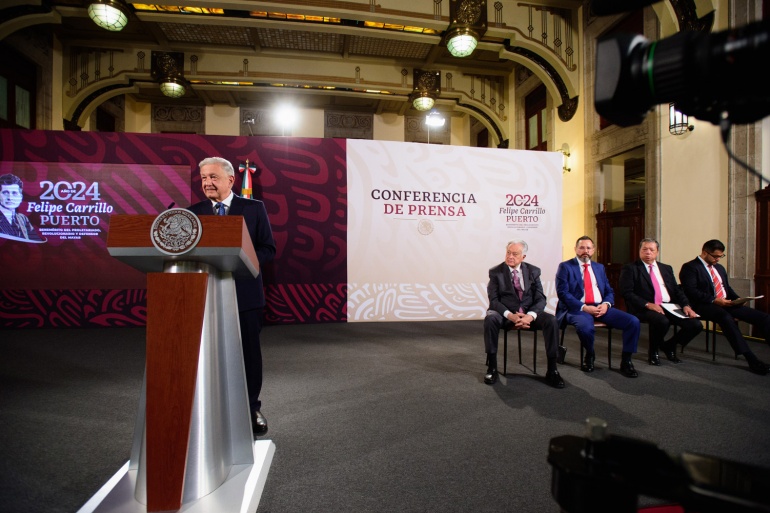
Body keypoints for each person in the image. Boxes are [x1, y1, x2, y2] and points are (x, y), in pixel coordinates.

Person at [187, 156, 277, 436]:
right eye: (203, 178)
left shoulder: (253, 209)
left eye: (213, 177)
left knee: (249, 355)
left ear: (230, 179)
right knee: (208, 354)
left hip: (245, 295)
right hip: (206, 295)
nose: (207, 183)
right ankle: (211, 410)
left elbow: (268, 249)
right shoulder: (194, 212)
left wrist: (245, 260)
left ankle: (251, 408)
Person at [679, 239, 770, 375]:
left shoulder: (719, 268)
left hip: (725, 303)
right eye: (715, 256)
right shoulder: (690, 267)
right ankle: (751, 359)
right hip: (703, 305)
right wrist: (714, 300)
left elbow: (726, 287)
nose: (718, 259)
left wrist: (737, 299)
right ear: (705, 252)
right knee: (726, 317)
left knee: (763, 318)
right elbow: (691, 291)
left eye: (721, 256)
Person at [483, 239, 565, 388]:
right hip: (505, 315)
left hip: (528, 314)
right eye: (508, 253)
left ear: (523, 257)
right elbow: (494, 300)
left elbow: (541, 298)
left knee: (551, 321)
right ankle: (492, 368)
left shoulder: (533, 271)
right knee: (490, 319)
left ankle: (552, 370)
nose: (510, 256)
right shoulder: (496, 272)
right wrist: (510, 315)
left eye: (515, 254)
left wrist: (530, 315)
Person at [555, 235, 641, 377]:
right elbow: (563, 293)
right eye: (582, 247)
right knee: (585, 327)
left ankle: (626, 360)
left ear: (593, 250)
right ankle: (590, 354)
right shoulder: (565, 266)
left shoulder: (599, 267)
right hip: (577, 308)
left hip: (600, 307)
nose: (585, 251)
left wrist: (606, 304)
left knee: (633, 322)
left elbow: (609, 291)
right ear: (575, 249)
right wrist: (584, 307)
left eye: (588, 248)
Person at [619, 238, 702, 365]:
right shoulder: (631, 268)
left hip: (669, 306)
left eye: (651, 250)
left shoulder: (666, 268)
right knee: (662, 321)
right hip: (644, 307)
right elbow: (627, 292)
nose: (648, 252)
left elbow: (676, 290)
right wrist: (648, 304)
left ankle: (669, 345)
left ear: (657, 252)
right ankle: (653, 351)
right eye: (644, 249)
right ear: (639, 251)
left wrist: (686, 305)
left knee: (695, 325)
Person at [0, 173, 44, 242]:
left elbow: (37, 243)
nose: (10, 198)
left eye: (14, 193)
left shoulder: (23, 219)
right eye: (5, 193)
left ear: (21, 197)